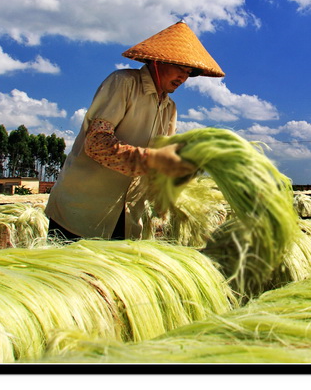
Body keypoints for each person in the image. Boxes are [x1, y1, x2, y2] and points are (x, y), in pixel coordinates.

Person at [45, 20, 225, 241]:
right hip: (81, 214)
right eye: (180, 68)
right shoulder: (123, 84)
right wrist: (153, 160)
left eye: (188, 72)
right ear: (158, 61)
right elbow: (96, 144)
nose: (183, 78)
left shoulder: (169, 108)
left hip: (127, 218)